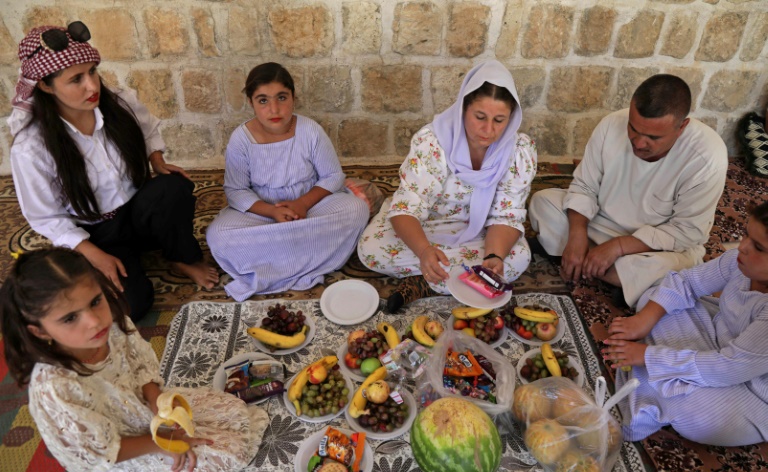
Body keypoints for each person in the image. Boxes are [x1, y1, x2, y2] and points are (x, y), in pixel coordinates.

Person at [0, 247, 268, 472]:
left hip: (143, 413)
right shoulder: (54, 388)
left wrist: (158, 405)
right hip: (121, 447)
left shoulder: (112, 325)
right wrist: (164, 441)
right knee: (219, 458)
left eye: (95, 301)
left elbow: (140, 368)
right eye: (70, 318)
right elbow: (102, 450)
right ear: (41, 331)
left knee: (232, 411)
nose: (94, 322)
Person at [9, 22, 219, 321]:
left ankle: (181, 259)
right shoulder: (32, 147)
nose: (92, 86)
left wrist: (156, 160)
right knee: (132, 306)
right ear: (45, 85)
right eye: (76, 79)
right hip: (97, 233)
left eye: (93, 71)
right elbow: (46, 217)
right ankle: (121, 260)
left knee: (173, 188)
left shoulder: (118, 102)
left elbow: (146, 126)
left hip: (136, 211)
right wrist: (94, 255)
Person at [528, 74, 728, 307]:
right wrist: (577, 233)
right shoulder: (610, 125)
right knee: (543, 202)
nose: (639, 142)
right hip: (600, 224)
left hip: (654, 247)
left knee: (672, 266)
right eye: (633, 128)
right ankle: (616, 276)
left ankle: (588, 262)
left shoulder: (707, 158)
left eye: (653, 137)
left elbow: (686, 232)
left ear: (682, 127)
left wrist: (620, 246)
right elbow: (584, 186)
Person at [357, 60, 536, 313]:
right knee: (371, 250)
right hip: (426, 226)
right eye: (480, 117)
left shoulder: (518, 151)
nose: (488, 130)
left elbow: (507, 215)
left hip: (480, 232)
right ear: (463, 109)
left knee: (517, 258)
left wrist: (493, 257)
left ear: (512, 118)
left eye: (499, 120)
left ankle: (424, 283)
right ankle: (451, 276)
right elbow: (408, 207)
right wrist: (424, 251)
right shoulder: (432, 142)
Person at [601, 201, 768, 446]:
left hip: (750, 391)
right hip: (715, 340)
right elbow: (687, 282)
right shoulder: (737, 261)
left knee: (701, 418)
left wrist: (648, 357)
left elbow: (726, 368)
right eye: (745, 235)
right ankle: (664, 379)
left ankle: (656, 378)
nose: (742, 247)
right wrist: (643, 321)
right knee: (653, 297)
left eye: (759, 247)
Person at [206, 62, 369, 301]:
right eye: (263, 100)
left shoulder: (309, 130)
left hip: (309, 207)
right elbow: (236, 190)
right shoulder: (241, 139)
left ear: (293, 97)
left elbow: (333, 176)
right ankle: (306, 254)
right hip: (261, 212)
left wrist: (302, 204)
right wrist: (272, 211)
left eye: (281, 97)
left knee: (356, 209)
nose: (274, 109)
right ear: (251, 103)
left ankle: (278, 258)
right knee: (217, 234)